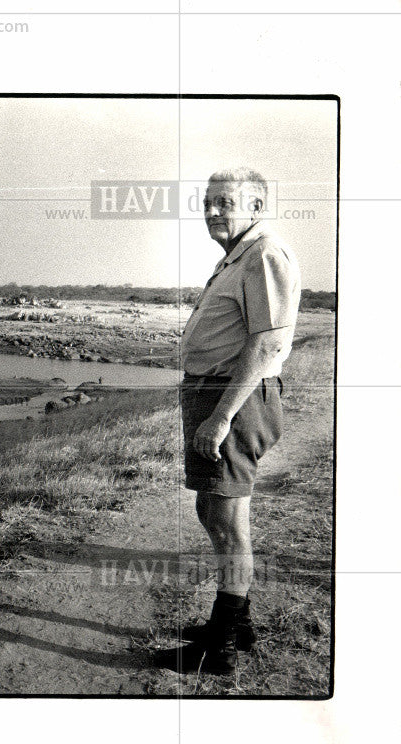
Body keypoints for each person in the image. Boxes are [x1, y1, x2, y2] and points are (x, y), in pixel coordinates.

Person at [162, 168, 301, 675]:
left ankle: (218, 647)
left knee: (223, 519)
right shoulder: (239, 255)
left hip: (234, 400)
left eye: (226, 202)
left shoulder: (265, 253)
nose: (214, 211)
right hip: (216, 394)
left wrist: (221, 416)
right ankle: (237, 621)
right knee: (219, 511)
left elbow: (267, 343)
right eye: (209, 202)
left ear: (257, 206)